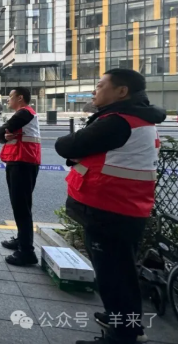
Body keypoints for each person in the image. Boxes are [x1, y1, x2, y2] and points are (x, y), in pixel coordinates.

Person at [55, 69, 164, 344]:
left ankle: (122, 334)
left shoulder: (117, 122)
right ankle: (123, 320)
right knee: (121, 271)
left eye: (101, 85)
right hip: (125, 206)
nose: (96, 90)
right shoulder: (139, 119)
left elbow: (67, 145)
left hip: (110, 208)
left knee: (114, 275)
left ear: (121, 91)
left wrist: (77, 150)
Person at [0, 87, 41, 266]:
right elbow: (2, 134)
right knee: (20, 206)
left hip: (23, 163)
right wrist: (2, 135)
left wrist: (2, 134)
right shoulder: (25, 114)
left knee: (21, 207)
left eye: (11, 96)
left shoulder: (24, 113)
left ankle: (27, 251)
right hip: (21, 162)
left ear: (20, 98)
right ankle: (21, 240)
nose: (8, 100)